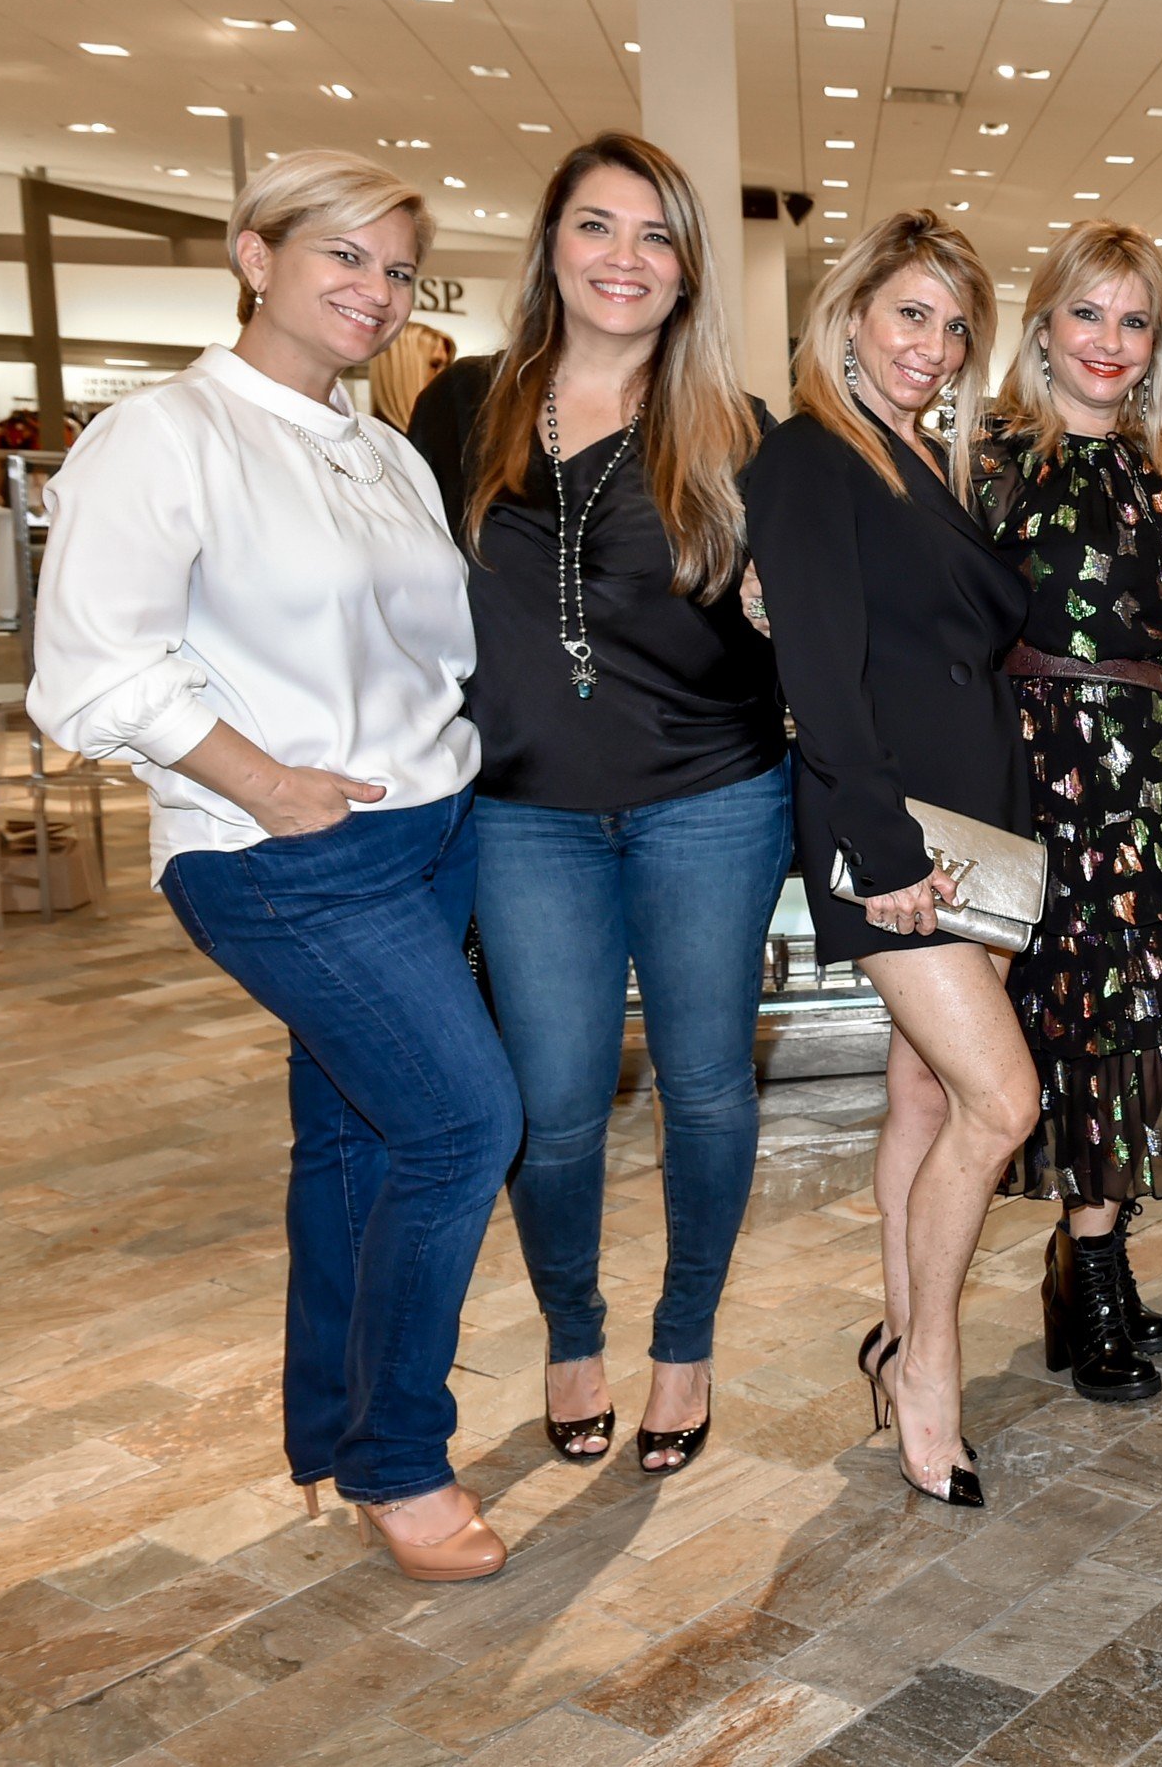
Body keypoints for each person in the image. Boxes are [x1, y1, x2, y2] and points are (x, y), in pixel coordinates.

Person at [30, 151, 517, 1581]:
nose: (373, 290)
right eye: (341, 256)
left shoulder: (375, 444)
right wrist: (261, 779)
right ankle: (396, 1453)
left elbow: (431, 643)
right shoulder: (163, 435)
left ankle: (333, 1432)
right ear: (255, 256)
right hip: (280, 846)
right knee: (460, 1125)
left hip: (428, 829)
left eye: (393, 267)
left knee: (362, 1140)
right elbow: (92, 671)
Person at [408, 131, 785, 1477]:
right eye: (597, 227)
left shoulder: (739, 431)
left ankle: (682, 1344)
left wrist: (778, 605)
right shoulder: (461, 407)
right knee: (551, 1105)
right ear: (552, 245)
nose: (624, 259)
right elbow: (403, 601)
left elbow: (809, 630)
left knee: (704, 1094)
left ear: (686, 271)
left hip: (712, 801)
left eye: (656, 236)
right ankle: (574, 1328)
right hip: (523, 809)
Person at [745, 210, 1045, 1506]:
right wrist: (882, 845)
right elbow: (818, 666)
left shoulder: (916, 454)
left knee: (925, 1099)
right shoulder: (810, 455)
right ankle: (928, 1364)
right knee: (1002, 1101)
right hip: (891, 833)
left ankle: (892, 1326)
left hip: (968, 826)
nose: (933, 343)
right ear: (851, 312)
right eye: (910, 313)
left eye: (953, 323)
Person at [977, 220, 1162, 1405]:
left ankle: (1089, 1250)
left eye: (1132, 319)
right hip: (1057, 791)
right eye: (1086, 313)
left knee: (1153, 1031)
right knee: (1087, 1035)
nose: (1108, 340)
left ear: (1154, 344)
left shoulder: (1160, 473)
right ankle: (1087, 1259)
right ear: (1044, 324)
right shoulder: (990, 461)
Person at [372, 321, 455, 434]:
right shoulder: (374, 443)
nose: (445, 375)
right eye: (434, 365)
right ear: (401, 369)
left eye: (447, 366)